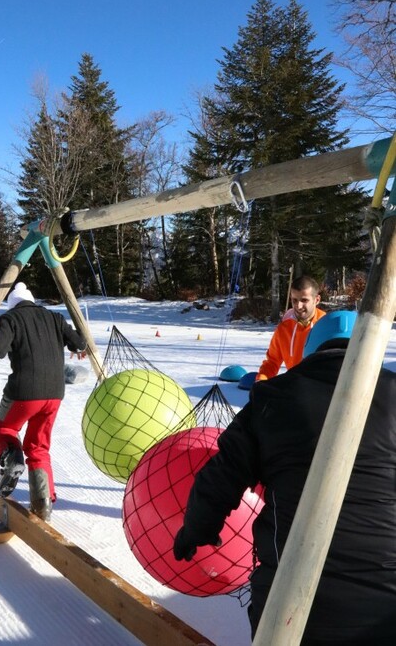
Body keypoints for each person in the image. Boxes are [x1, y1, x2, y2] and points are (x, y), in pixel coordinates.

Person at [174, 311, 396, 645]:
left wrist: (196, 529)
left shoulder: (272, 397)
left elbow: (223, 473)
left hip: (293, 601)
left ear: (311, 351)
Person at [0, 282, 87, 521]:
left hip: (23, 392)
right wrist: (79, 346)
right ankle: (43, 503)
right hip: (54, 394)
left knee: (3, 428)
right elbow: (79, 343)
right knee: (39, 447)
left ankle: (12, 460)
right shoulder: (54, 318)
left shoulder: (10, 319)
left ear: (12, 304)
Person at [256, 275, 326, 381]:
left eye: (304, 300)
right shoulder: (284, 329)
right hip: (295, 388)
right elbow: (272, 363)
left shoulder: (327, 326)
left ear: (316, 300)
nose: (298, 306)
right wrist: (260, 381)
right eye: (294, 300)